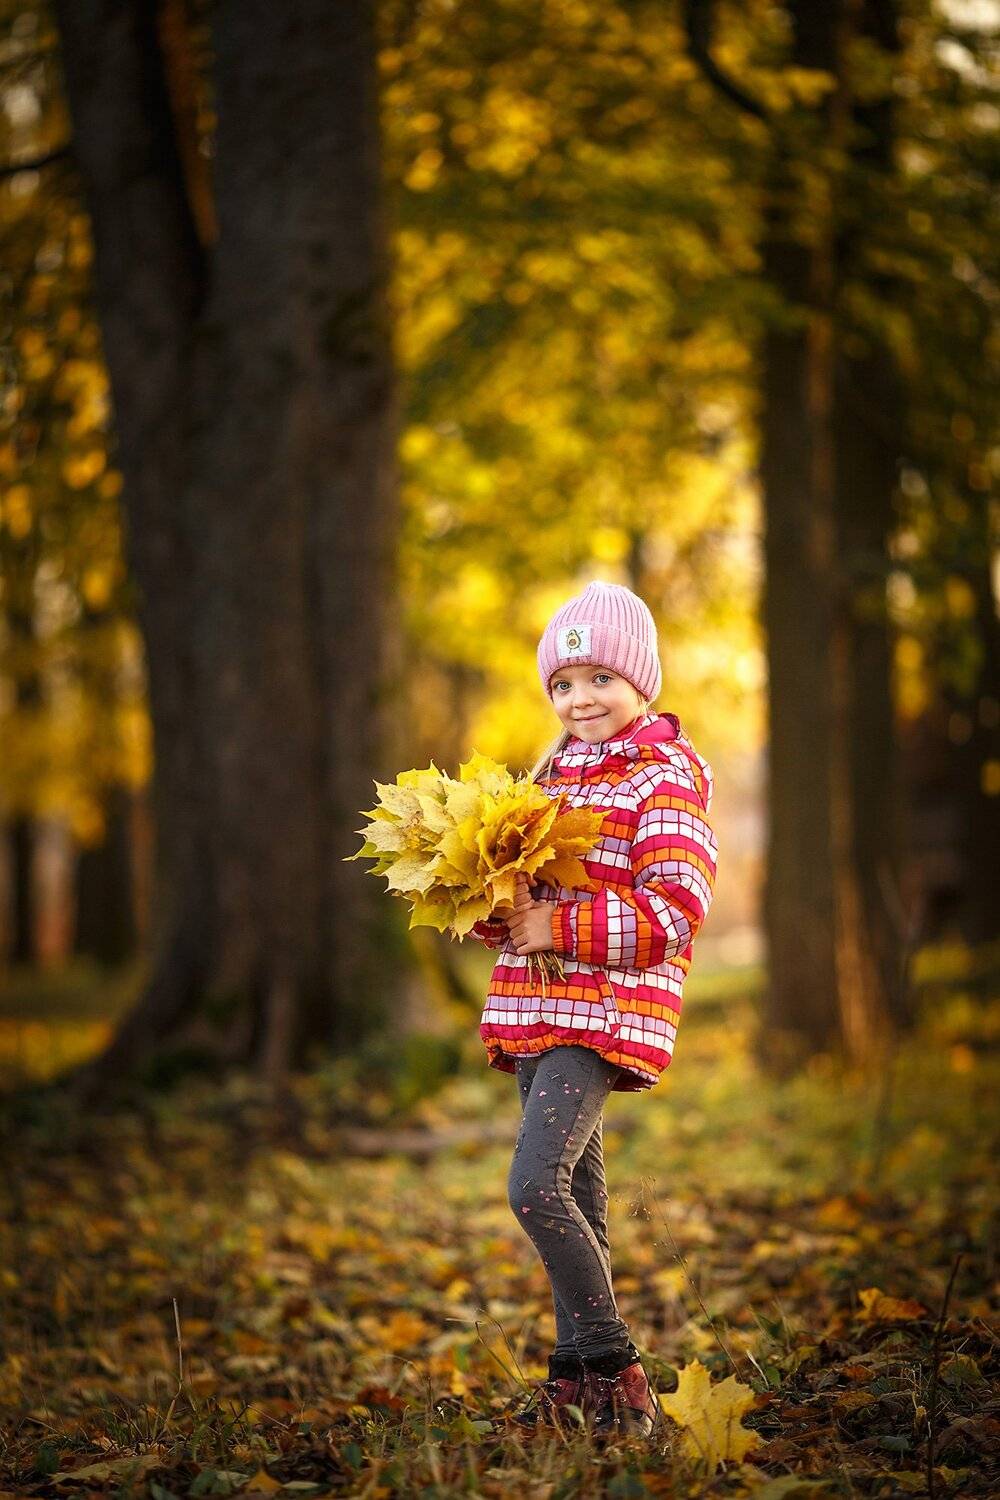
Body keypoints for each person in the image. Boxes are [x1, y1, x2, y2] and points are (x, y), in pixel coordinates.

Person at [470, 580, 718, 1441]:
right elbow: (529, 889)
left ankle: (617, 1366)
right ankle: (580, 1388)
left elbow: (676, 908)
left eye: (600, 679)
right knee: (579, 1195)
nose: (581, 700)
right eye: (564, 684)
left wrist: (561, 924)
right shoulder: (550, 772)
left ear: (640, 680)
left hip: (604, 1010)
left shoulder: (665, 775)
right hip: (538, 1005)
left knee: (533, 1186)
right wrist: (498, 909)